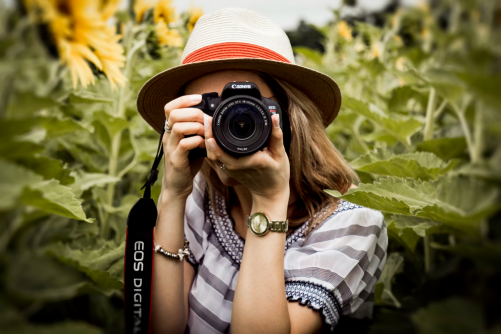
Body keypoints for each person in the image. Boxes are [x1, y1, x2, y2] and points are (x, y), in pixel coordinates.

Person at [136, 8, 388, 334]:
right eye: (210, 109)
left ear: (290, 117)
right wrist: (172, 193)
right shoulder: (203, 193)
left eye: (245, 106)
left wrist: (269, 200)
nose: (229, 125)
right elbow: (162, 328)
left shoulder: (354, 225)